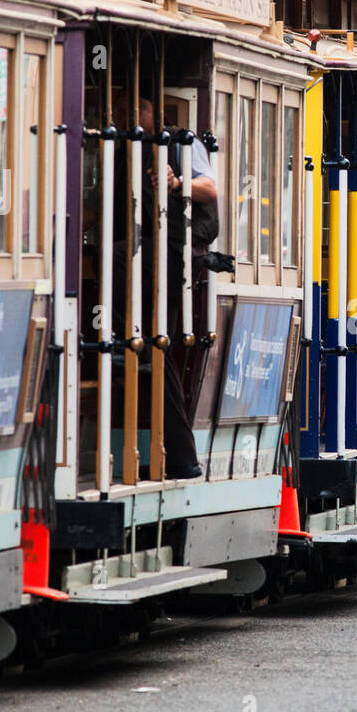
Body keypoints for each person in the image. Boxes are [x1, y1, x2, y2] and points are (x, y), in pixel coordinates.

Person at [111, 93, 220, 479]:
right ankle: (181, 457)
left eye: (135, 106)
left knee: (160, 343)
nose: (125, 112)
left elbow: (211, 187)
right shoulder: (124, 149)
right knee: (162, 348)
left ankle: (126, 334)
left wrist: (177, 182)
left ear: (156, 110)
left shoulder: (181, 141)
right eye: (121, 107)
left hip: (176, 255)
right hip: (153, 253)